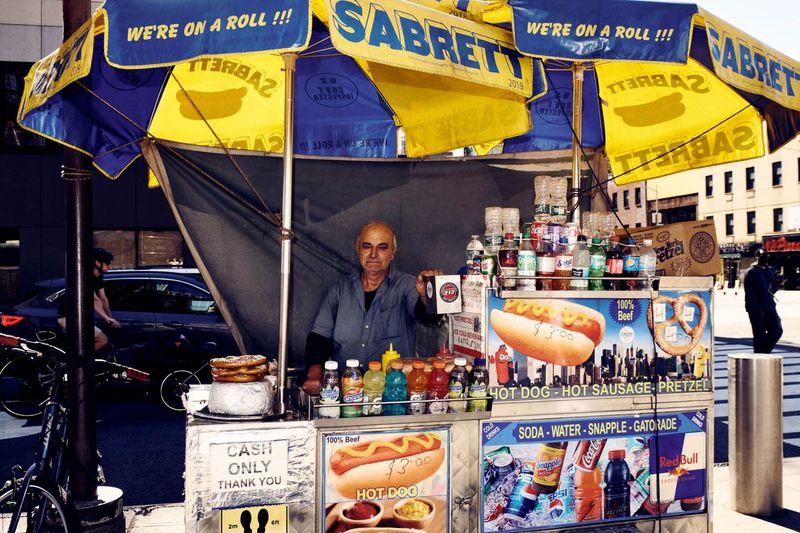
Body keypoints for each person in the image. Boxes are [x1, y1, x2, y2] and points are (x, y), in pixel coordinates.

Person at [303, 221, 442, 393]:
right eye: (367, 246)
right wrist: (315, 376)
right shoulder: (339, 290)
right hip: (345, 390)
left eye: (382, 247)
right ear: (358, 249)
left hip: (392, 391)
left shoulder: (406, 286)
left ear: (393, 253)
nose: (373, 254)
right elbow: (319, 338)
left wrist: (425, 295)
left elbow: (427, 316)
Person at [57, 247, 121, 351]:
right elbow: (94, 300)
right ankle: (77, 363)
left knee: (87, 344)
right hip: (68, 318)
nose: (110, 265)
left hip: (80, 318)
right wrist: (106, 318)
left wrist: (111, 318)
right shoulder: (85, 276)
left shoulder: (98, 277)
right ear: (97, 263)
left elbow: (103, 299)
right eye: (107, 263)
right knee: (102, 340)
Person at [744, 248, 783, 354]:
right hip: (756, 310)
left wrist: (778, 283)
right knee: (759, 335)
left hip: (770, 306)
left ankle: (764, 353)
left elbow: (772, 289)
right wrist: (756, 308)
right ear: (756, 257)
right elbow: (749, 293)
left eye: (766, 255)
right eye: (761, 256)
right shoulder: (751, 272)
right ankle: (760, 354)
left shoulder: (769, 270)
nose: (764, 258)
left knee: (777, 330)